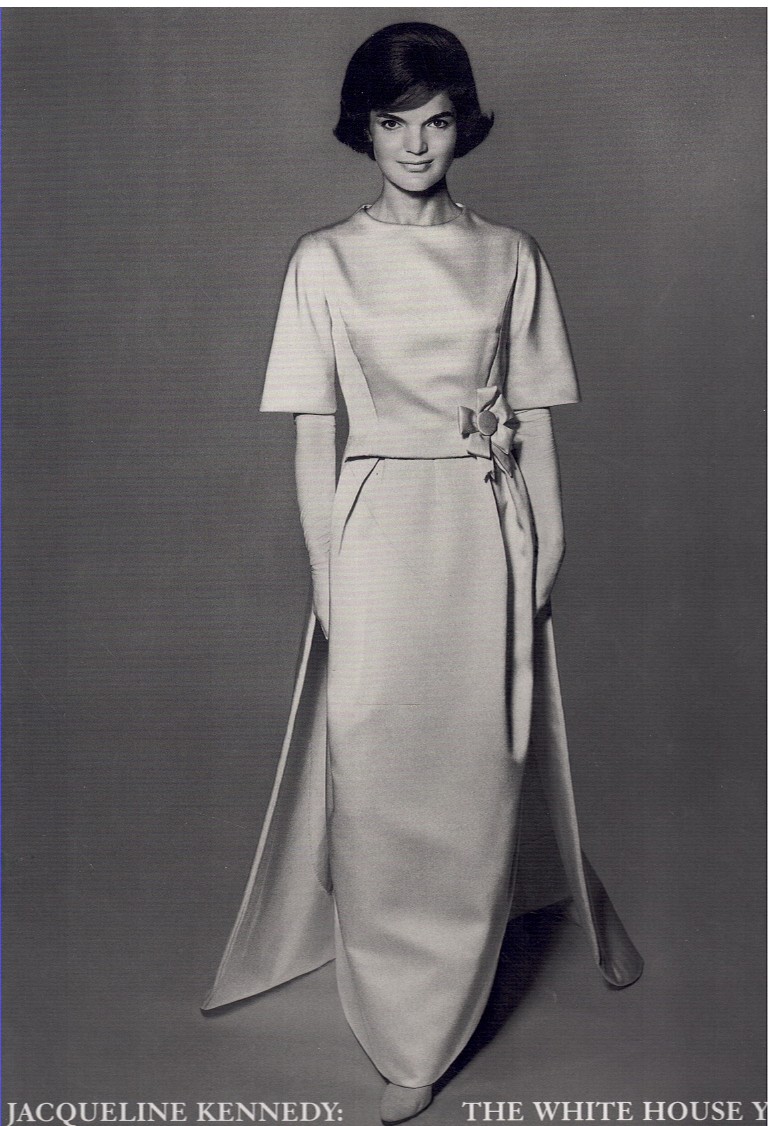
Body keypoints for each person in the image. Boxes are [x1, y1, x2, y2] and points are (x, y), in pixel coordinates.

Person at [202, 22, 643, 1124]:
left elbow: (536, 419)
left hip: (484, 524)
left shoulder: (511, 255)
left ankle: (476, 968)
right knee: (376, 754)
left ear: (463, 127)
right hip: (375, 529)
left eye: (436, 120)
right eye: (393, 121)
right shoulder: (323, 260)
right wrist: (328, 575)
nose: (415, 143)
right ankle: (401, 1010)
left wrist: (544, 549)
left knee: (480, 757)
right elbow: (314, 431)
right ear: (363, 129)